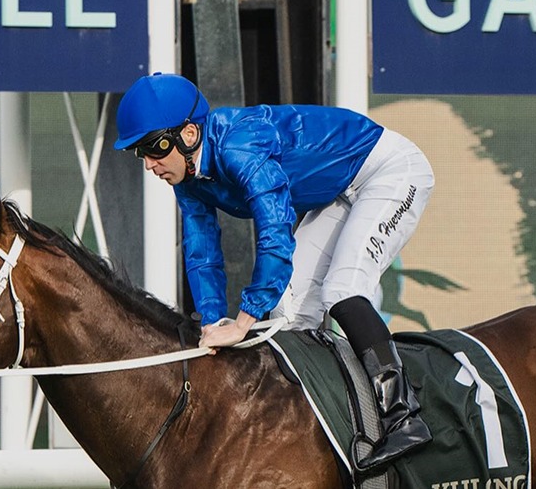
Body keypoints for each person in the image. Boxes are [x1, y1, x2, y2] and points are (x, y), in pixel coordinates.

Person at [114, 72, 435, 473]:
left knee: (343, 287)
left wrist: (244, 321)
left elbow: (275, 233)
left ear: (189, 135)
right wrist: (212, 326)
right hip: (338, 191)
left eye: (153, 148)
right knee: (290, 313)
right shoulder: (188, 179)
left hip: (388, 172)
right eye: (139, 153)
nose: (148, 164)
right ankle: (330, 424)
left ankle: (402, 417)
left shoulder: (239, 145)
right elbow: (202, 253)